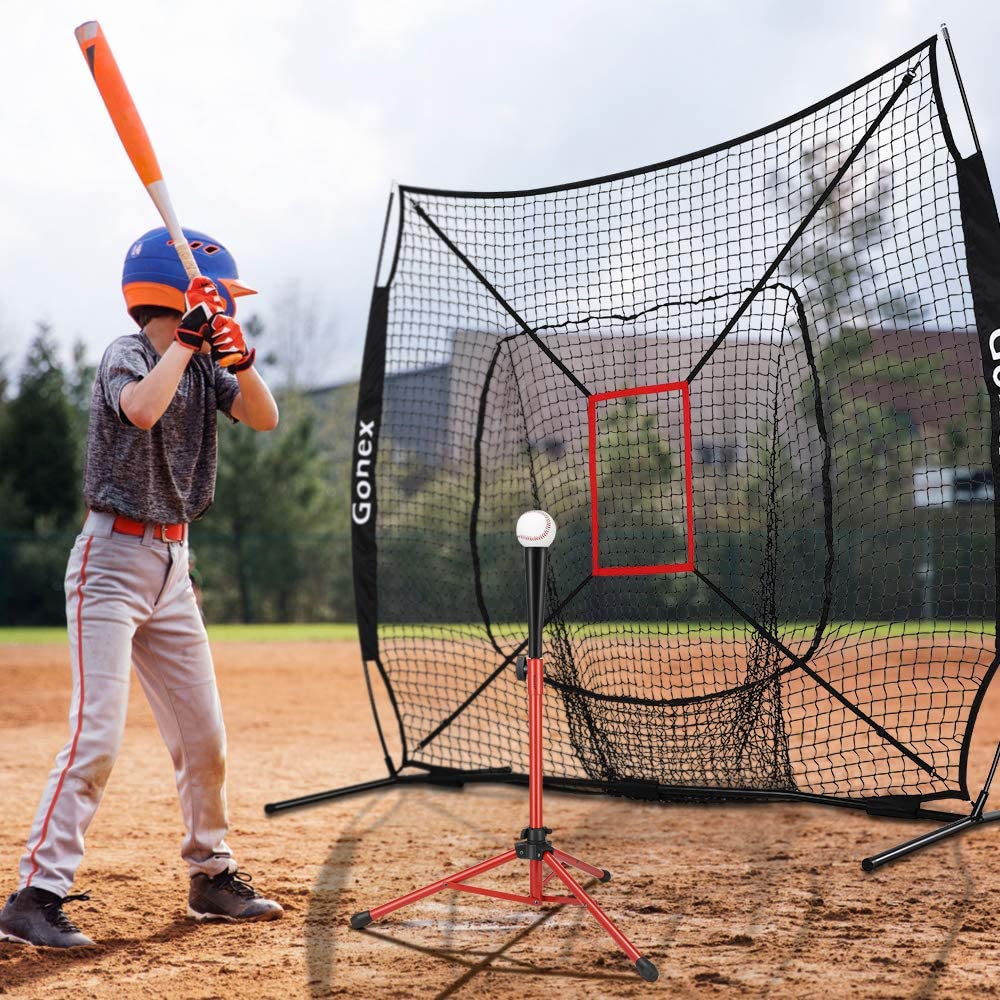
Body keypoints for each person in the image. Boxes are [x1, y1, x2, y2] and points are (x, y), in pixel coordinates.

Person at [0, 227, 283, 948]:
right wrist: (188, 339)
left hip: (173, 568)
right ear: (179, 293)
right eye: (218, 299)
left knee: (204, 736)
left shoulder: (205, 364)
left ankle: (211, 875)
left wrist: (237, 357)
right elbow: (142, 410)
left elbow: (264, 416)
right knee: (96, 736)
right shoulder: (128, 355)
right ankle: (34, 895)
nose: (225, 309)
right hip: (111, 561)